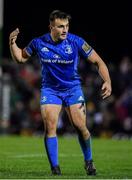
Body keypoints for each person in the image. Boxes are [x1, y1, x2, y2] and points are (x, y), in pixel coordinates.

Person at [9, 10, 112, 176]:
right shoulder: (38, 43)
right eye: (60, 26)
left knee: (81, 127)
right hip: (50, 91)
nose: (65, 30)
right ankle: (55, 169)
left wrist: (107, 81)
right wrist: (12, 43)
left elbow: (98, 62)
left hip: (73, 89)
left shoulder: (76, 42)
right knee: (50, 127)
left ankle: (89, 161)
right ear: (51, 27)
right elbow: (21, 57)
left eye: (67, 26)